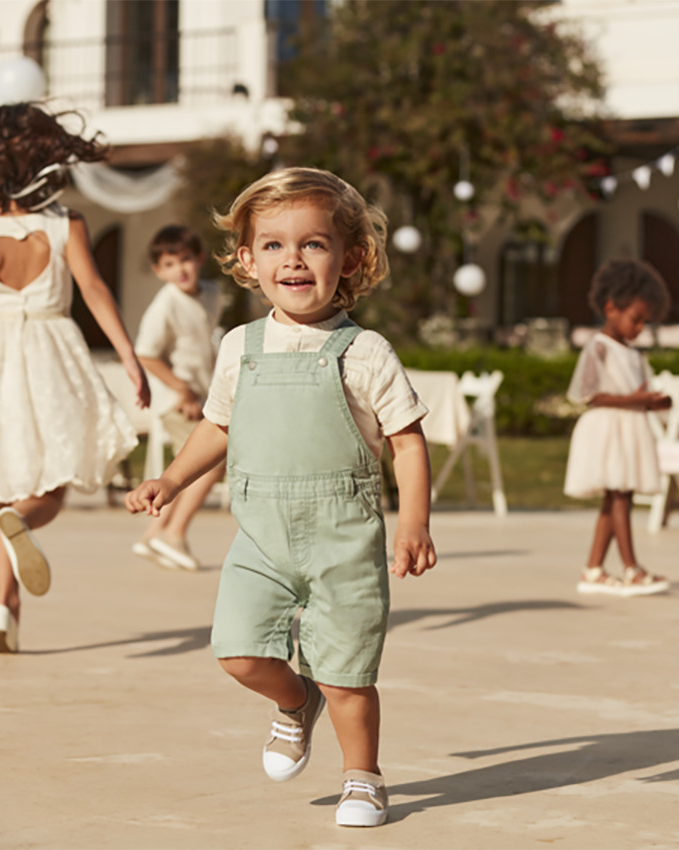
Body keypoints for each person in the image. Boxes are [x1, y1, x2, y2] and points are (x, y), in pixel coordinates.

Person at [125, 167, 437, 827]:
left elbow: (407, 443)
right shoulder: (240, 347)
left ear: (350, 258)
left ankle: (363, 777)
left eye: (313, 244)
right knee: (237, 651)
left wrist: (414, 523)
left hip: (343, 541)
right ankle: (296, 704)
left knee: (348, 674)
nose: (292, 259)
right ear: (246, 260)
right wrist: (172, 480)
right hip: (260, 538)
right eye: (272, 245)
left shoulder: (367, 352)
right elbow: (218, 425)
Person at [0, 102, 150, 653]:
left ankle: (3, 607)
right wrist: (129, 356)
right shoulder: (65, 222)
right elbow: (95, 292)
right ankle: (24, 523)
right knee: (49, 487)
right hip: (52, 351)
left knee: (5, 488)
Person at [564, 259, 672, 596]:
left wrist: (655, 402)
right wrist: (635, 400)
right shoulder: (598, 347)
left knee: (616, 499)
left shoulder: (635, 354)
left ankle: (594, 569)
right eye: (635, 319)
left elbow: (638, 392)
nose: (639, 327)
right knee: (619, 495)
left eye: (645, 322)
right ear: (611, 308)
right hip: (609, 430)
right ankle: (631, 568)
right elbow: (588, 394)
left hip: (629, 430)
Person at [131, 225, 226, 571]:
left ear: (199, 259)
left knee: (190, 468)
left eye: (185, 260)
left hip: (203, 397)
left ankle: (153, 535)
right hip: (176, 400)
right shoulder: (165, 305)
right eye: (170, 264)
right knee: (210, 463)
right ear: (159, 271)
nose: (180, 270)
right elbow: (147, 354)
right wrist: (183, 390)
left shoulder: (213, 293)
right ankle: (173, 534)